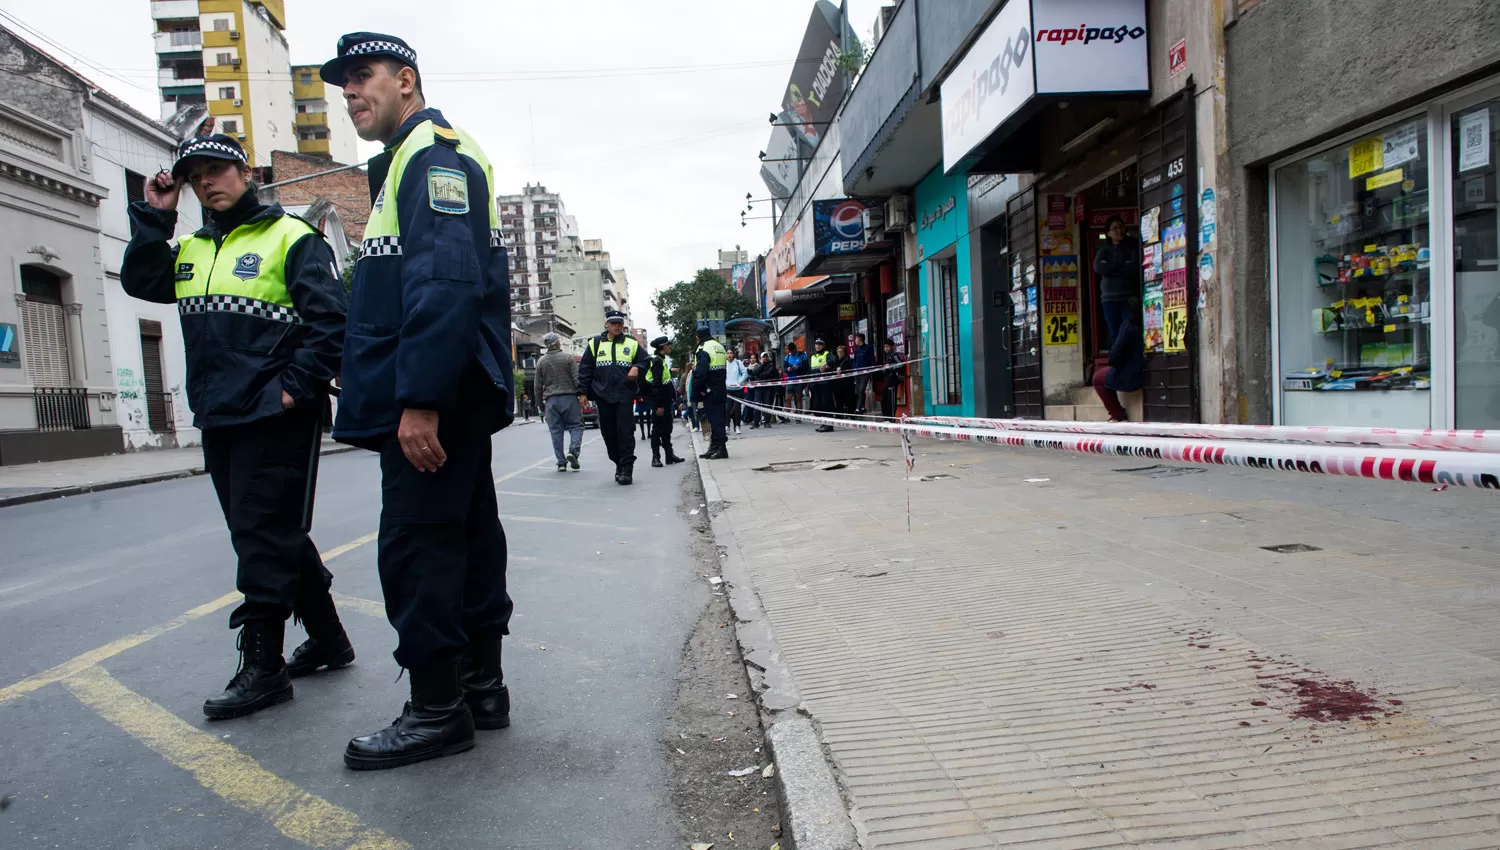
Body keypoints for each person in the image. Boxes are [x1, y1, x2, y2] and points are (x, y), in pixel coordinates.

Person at [322, 33, 515, 770]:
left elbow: (442, 281)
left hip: (438, 392)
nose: (351, 93)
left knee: (418, 547)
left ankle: (438, 708)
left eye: (362, 76)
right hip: (448, 386)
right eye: (343, 83)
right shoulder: (417, 156)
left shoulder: (431, 154)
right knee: (465, 537)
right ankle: (481, 689)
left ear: (407, 80)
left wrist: (422, 400)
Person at [121, 133, 351, 721]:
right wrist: (155, 217)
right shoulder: (194, 248)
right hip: (219, 413)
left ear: (244, 171)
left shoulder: (290, 237)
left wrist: (292, 390)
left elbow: (331, 324)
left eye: (217, 170)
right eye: (196, 175)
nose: (206, 182)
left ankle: (264, 668)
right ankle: (327, 639)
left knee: (259, 535)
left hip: (274, 416)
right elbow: (142, 283)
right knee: (269, 530)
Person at [577, 310, 649, 484]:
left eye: (620, 323)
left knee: (625, 431)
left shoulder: (631, 343)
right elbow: (585, 369)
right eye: (614, 323)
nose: (617, 326)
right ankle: (618, 463)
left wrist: (637, 367)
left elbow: (646, 360)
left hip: (624, 395)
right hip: (603, 395)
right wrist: (582, 392)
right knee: (609, 434)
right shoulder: (595, 344)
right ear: (606, 325)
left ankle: (627, 470)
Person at [535, 332, 582, 471]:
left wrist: (540, 404)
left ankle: (561, 463)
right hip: (569, 398)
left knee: (556, 432)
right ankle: (573, 452)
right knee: (576, 426)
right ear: (557, 343)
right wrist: (582, 395)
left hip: (551, 400)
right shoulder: (568, 358)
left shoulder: (541, 362)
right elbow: (576, 378)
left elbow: (537, 387)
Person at [1093, 297, 1145, 423]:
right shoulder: (1146, 326)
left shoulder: (1128, 327)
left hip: (1131, 375)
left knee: (1097, 378)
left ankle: (1118, 415)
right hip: (1150, 369)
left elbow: (1115, 357)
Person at [1094, 215, 1139, 347]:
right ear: (1108, 233)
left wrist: (1112, 268)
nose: (1119, 230)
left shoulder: (1131, 247)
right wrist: (1119, 265)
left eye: (1121, 227)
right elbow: (1098, 268)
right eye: (1115, 228)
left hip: (1127, 297)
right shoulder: (1104, 251)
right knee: (1115, 332)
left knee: (1129, 329)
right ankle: (1117, 361)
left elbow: (1133, 267)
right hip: (1109, 299)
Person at [642, 336, 685, 467]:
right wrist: (659, 405)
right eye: (668, 346)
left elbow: (665, 381)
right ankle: (656, 457)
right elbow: (656, 385)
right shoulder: (657, 362)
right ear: (662, 348)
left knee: (667, 428)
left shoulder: (661, 361)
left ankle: (669, 455)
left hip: (665, 402)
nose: (669, 347)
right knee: (657, 429)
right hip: (658, 402)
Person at [693, 327, 730, 458]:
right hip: (720, 388)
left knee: (715, 420)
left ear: (698, 337)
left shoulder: (703, 348)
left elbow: (701, 372)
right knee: (718, 418)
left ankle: (721, 449)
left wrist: (697, 389)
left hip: (709, 389)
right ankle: (714, 447)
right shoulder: (719, 346)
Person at [809, 338, 836, 432]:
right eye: (816, 344)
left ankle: (829, 425)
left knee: (827, 404)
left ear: (823, 346)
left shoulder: (827, 354)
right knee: (819, 405)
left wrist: (827, 363)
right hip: (816, 384)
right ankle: (824, 423)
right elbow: (811, 370)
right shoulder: (812, 356)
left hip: (825, 383)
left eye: (820, 344)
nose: (818, 346)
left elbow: (834, 360)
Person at [749, 351, 779, 428]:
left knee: (767, 405)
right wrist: (762, 365)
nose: (765, 358)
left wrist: (758, 376)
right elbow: (754, 373)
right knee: (757, 405)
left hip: (767, 388)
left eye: (766, 357)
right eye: (763, 357)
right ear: (761, 358)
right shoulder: (758, 365)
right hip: (758, 388)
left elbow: (767, 374)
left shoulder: (771, 365)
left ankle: (767, 422)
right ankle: (756, 422)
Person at [725, 347, 748, 436]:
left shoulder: (738, 363)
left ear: (733, 354)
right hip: (728, 389)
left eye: (731, 353)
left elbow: (745, 373)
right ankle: (727, 426)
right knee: (727, 408)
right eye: (728, 353)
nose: (729, 355)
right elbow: (722, 376)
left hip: (738, 390)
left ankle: (737, 426)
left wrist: (740, 381)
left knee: (737, 408)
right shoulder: (724, 364)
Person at [851, 333, 875, 413]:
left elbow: (871, 360)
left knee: (861, 389)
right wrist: (854, 370)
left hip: (865, 373)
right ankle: (862, 407)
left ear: (860, 339)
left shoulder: (868, 348)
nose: (855, 341)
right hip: (857, 373)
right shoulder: (856, 349)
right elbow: (854, 360)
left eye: (856, 339)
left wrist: (870, 370)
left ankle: (858, 407)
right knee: (858, 391)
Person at [880, 339, 905, 419]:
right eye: (885, 347)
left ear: (892, 347)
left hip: (893, 380)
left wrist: (890, 367)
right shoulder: (887, 356)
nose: (886, 348)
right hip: (887, 380)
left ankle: (891, 418)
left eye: (887, 346)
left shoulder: (894, 355)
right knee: (884, 399)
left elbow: (901, 365)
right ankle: (886, 417)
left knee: (891, 400)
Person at [782, 342, 807, 415]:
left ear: (795, 349)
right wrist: (787, 369)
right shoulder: (787, 357)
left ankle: (799, 416)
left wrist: (799, 367)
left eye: (793, 351)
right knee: (787, 399)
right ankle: (787, 416)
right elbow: (784, 368)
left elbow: (806, 368)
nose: (791, 353)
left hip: (799, 380)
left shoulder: (802, 355)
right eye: (790, 351)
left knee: (798, 398)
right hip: (790, 380)